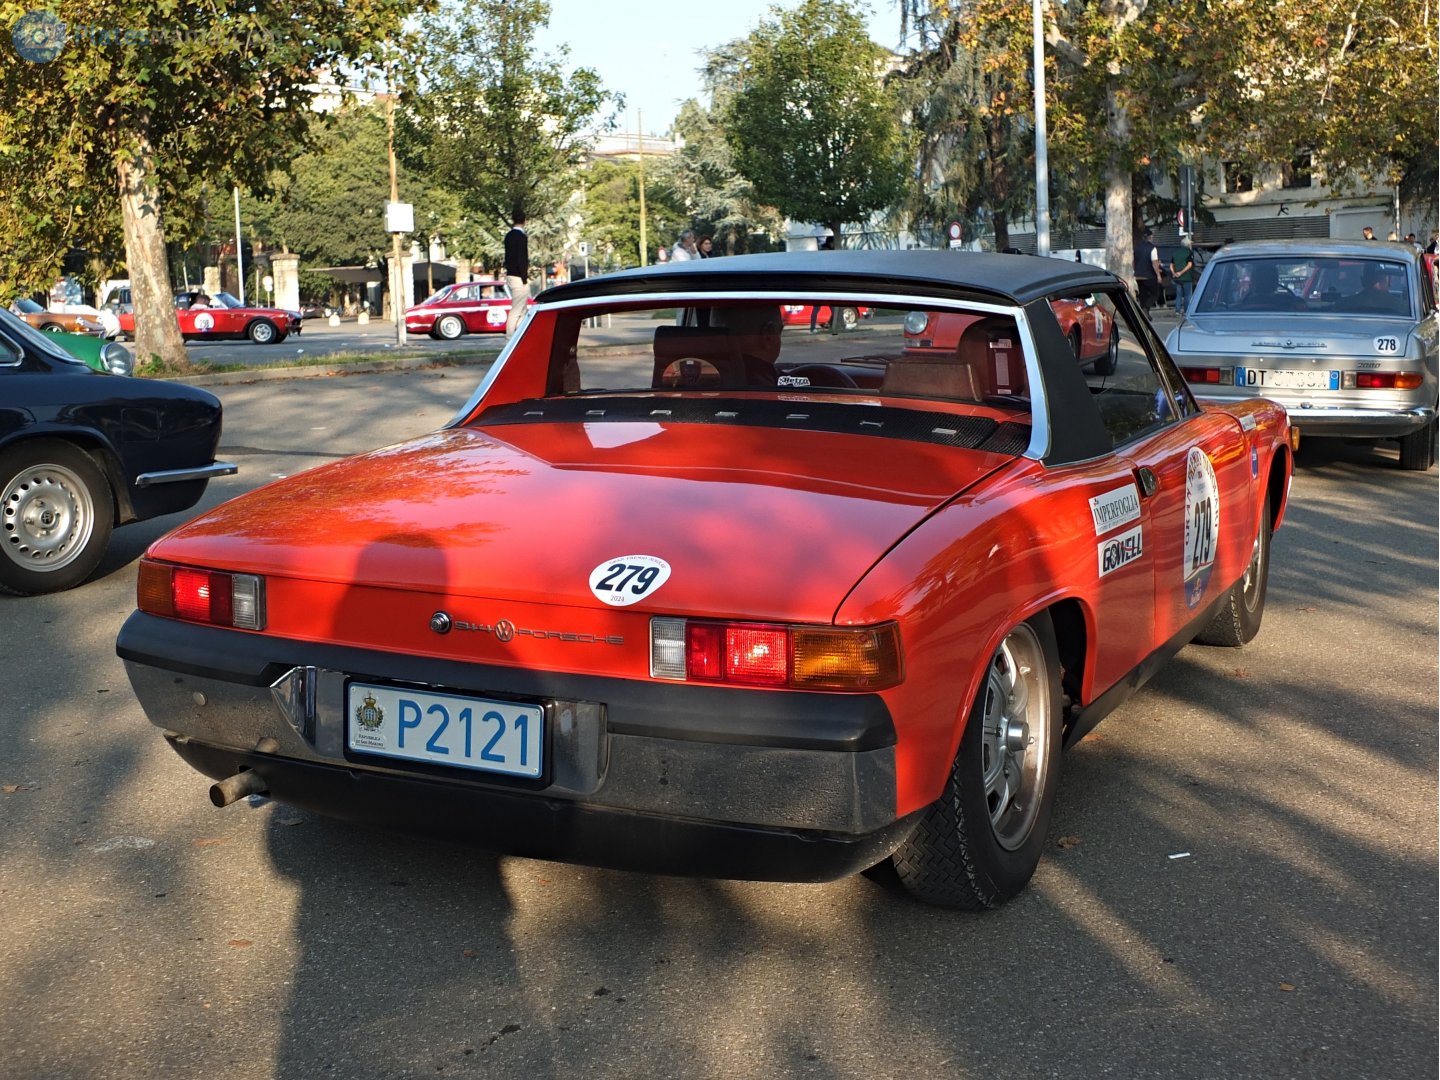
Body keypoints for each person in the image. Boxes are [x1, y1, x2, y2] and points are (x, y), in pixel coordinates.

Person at [503, 212, 529, 336]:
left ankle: (519, 334)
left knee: (522, 308)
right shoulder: (522, 237)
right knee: (518, 309)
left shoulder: (508, 236)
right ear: (525, 221)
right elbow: (522, 259)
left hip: (511, 274)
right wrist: (524, 278)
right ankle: (510, 337)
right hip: (519, 276)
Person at [1133, 227, 1163, 310]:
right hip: (1149, 275)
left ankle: (1144, 312)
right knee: (1155, 293)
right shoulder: (1152, 248)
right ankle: (1146, 307)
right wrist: (1158, 276)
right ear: (1150, 237)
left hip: (1138, 276)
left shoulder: (1136, 247)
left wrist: (1135, 271)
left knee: (1143, 294)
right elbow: (1154, 263)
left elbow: (1133, 261)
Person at [1170, 235, 1198, 316]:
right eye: (1190, 244)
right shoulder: (1189, 252)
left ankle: (1177, 311)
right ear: (1188, 245)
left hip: (1177, 278)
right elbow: (1189, 265)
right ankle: (1186, 311)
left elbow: (1171, 264)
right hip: (1186, 277)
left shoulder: (1175, 252)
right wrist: (1181, 272)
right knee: (1187, 295)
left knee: (1178, 295)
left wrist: (1174, 273)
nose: (1191, 245)